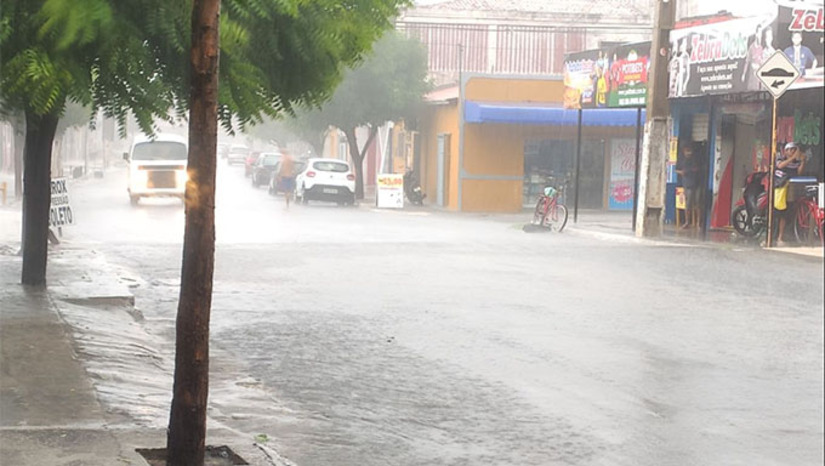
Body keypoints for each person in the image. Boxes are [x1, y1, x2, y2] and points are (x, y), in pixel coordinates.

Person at [774, 142, 806, 246]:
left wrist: (802, 161)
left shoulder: (796, 161)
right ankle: (775, 236)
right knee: (778, 212)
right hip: (779, 187)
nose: (793, 152)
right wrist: (792, 158)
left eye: (795, 149)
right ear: (786, 151)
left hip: (791, 189)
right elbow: (780, 165)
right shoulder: (780, 158)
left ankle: (782, 237)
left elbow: (799, 172)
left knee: (786, 212)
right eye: (791, 149)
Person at [675, 144, 702, 229]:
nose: (688, 153)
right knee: (688, 204)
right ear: (684, 151)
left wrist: (693, 170)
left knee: (698, 203)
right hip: (687, 184)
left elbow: (698, 168)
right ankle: (687, 222)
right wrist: (681, 172)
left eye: (689, 151)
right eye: (687, 151)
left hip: (697, 183)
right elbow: (676, 169)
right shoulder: (681, 160)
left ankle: (698, 223)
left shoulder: (695, 159)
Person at [742, 25, 764, 90]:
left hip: (758, 78)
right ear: (756, 34)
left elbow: (762, 63)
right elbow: (747, 61)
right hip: (752, 77)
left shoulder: (761, 48)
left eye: (761, 33)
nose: (760, 35)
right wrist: (744, 74)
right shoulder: (751, 47)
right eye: (759, 33)